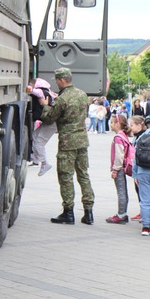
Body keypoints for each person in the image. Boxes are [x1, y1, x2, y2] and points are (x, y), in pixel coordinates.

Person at [46, 68, 95, 225]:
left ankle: (68, 212)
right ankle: (88, 213)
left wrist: (45, 105)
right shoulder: (82, 95)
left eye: (57, 81)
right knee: (83, 175)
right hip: (82, 141)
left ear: (61, 80)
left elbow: (48, 118)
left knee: (66, 176)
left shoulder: (62, 99)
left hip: (67, 142)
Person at [105, 112, 134, 224]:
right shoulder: (124, 136)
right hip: (124, 167)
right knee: (124, 191)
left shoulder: (118, 138)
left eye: (112, 122)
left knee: (121, 191)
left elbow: (119, 155)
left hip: (120, 168)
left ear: (118, 124)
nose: (110, 125)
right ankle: (123, 213)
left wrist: (115, 170)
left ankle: (121, 214)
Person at [29, 78, 57, 176]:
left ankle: (45, 163)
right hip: (49, 121)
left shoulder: (41, 92)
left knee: (39, 143)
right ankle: (36, 159)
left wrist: (26, 87)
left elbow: (31, 90)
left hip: (51, 123)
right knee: (34, 136)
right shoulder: (48, 92)